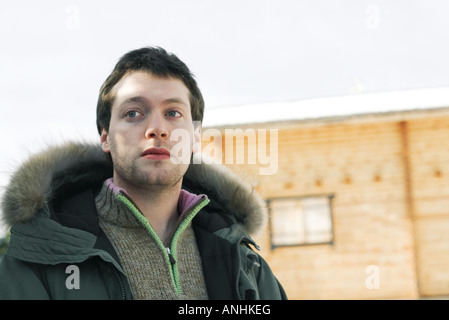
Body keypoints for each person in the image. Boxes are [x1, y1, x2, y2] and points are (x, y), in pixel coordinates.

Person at [0, 46, 287, 300]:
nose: (157, 129)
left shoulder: (245, 263)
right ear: (105, 137)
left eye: (173, 113)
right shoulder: (39, 255)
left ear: (195, 138)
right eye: (134, 113)